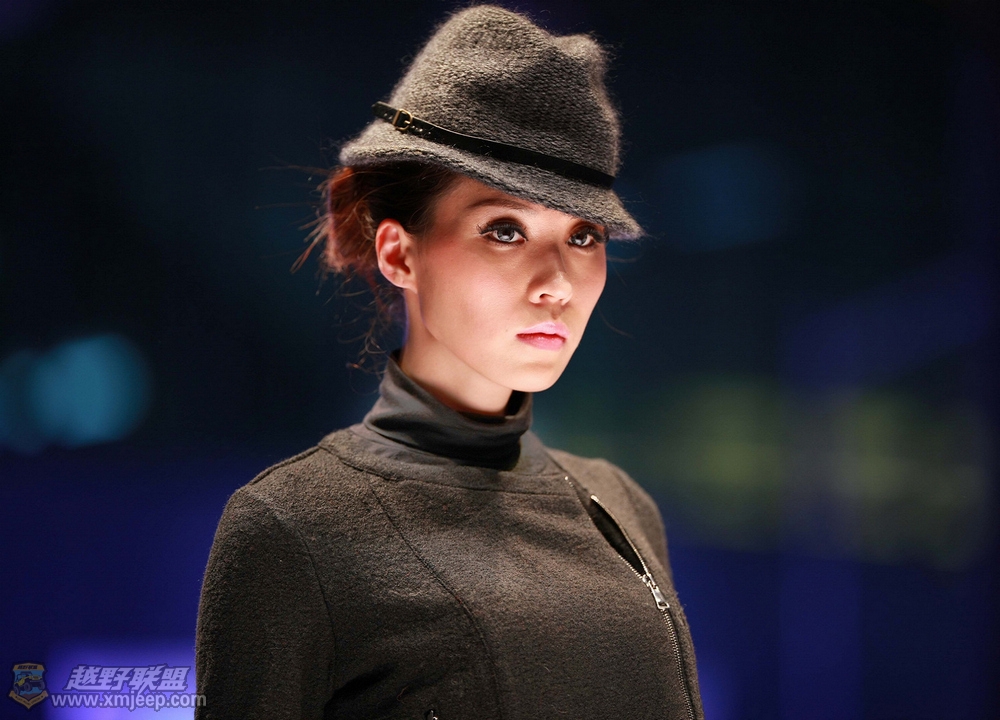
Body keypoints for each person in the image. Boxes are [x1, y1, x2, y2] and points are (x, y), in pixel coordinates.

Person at [195, 5, 704, 719]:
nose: (557, 282)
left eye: (583, 236)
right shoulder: (293, 527)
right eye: (505, 230)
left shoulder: (619, 504)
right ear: (399, 253)